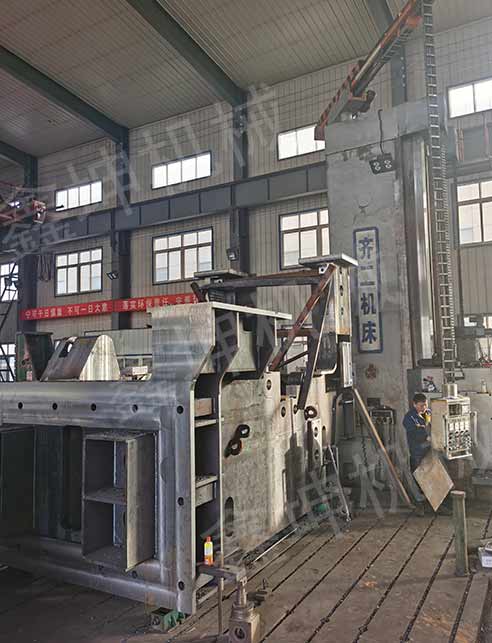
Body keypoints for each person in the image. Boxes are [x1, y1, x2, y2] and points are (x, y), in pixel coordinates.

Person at [403, 393, 431, 473]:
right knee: (418, 475)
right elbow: (414, 433)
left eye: (425, 405)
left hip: (429, 450)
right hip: (417, 453)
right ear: (414, 404)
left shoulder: (428, 413)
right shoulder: (409, 417)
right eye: (421, 406)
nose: (424, 408)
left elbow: (432, 425)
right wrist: (426, 437)